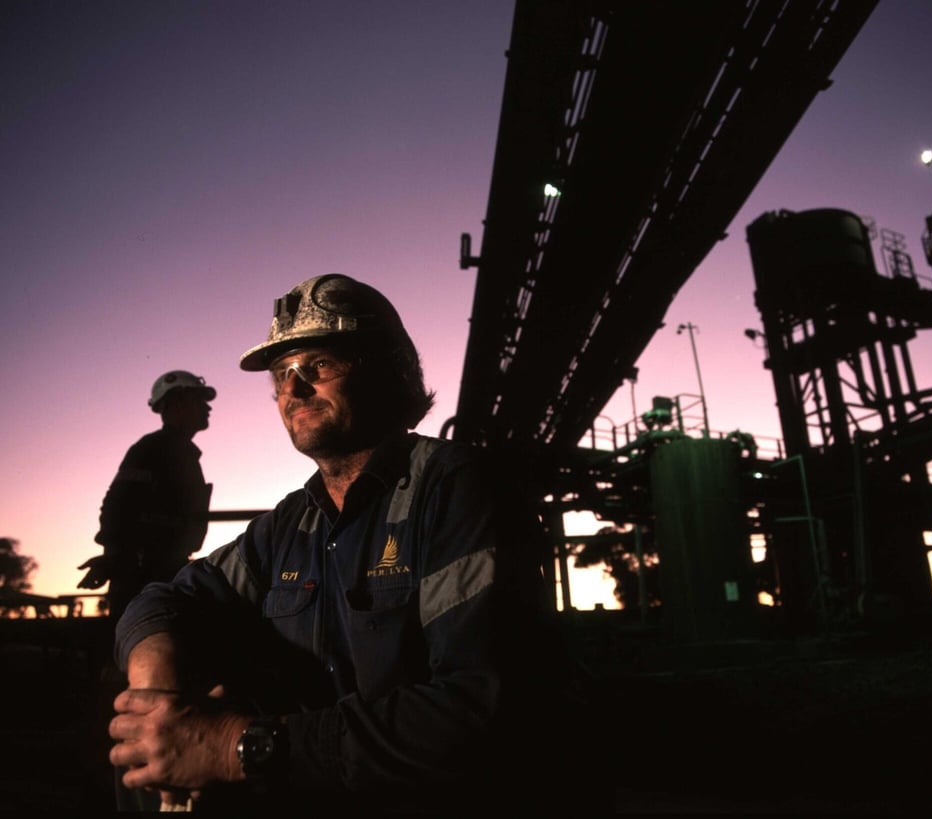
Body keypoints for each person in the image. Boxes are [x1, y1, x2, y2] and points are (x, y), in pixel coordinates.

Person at [107, 274, 569, 813]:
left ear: (386, 372)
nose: (294, 390)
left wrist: (236, 746)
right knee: (147, 753)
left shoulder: (459, 490)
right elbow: (166, 598)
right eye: (282, 375)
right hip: (317, 783)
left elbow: (482, 708)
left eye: (318, 367)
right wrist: (157, 696)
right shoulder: (292, 524)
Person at [78, 370, 216, 622]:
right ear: (177, 403)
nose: (207, 409)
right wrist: (116, 558)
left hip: (164, 569)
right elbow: (116, 506)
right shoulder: (152, 449)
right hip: (143, 575)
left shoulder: (179, 452)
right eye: (199, 400)